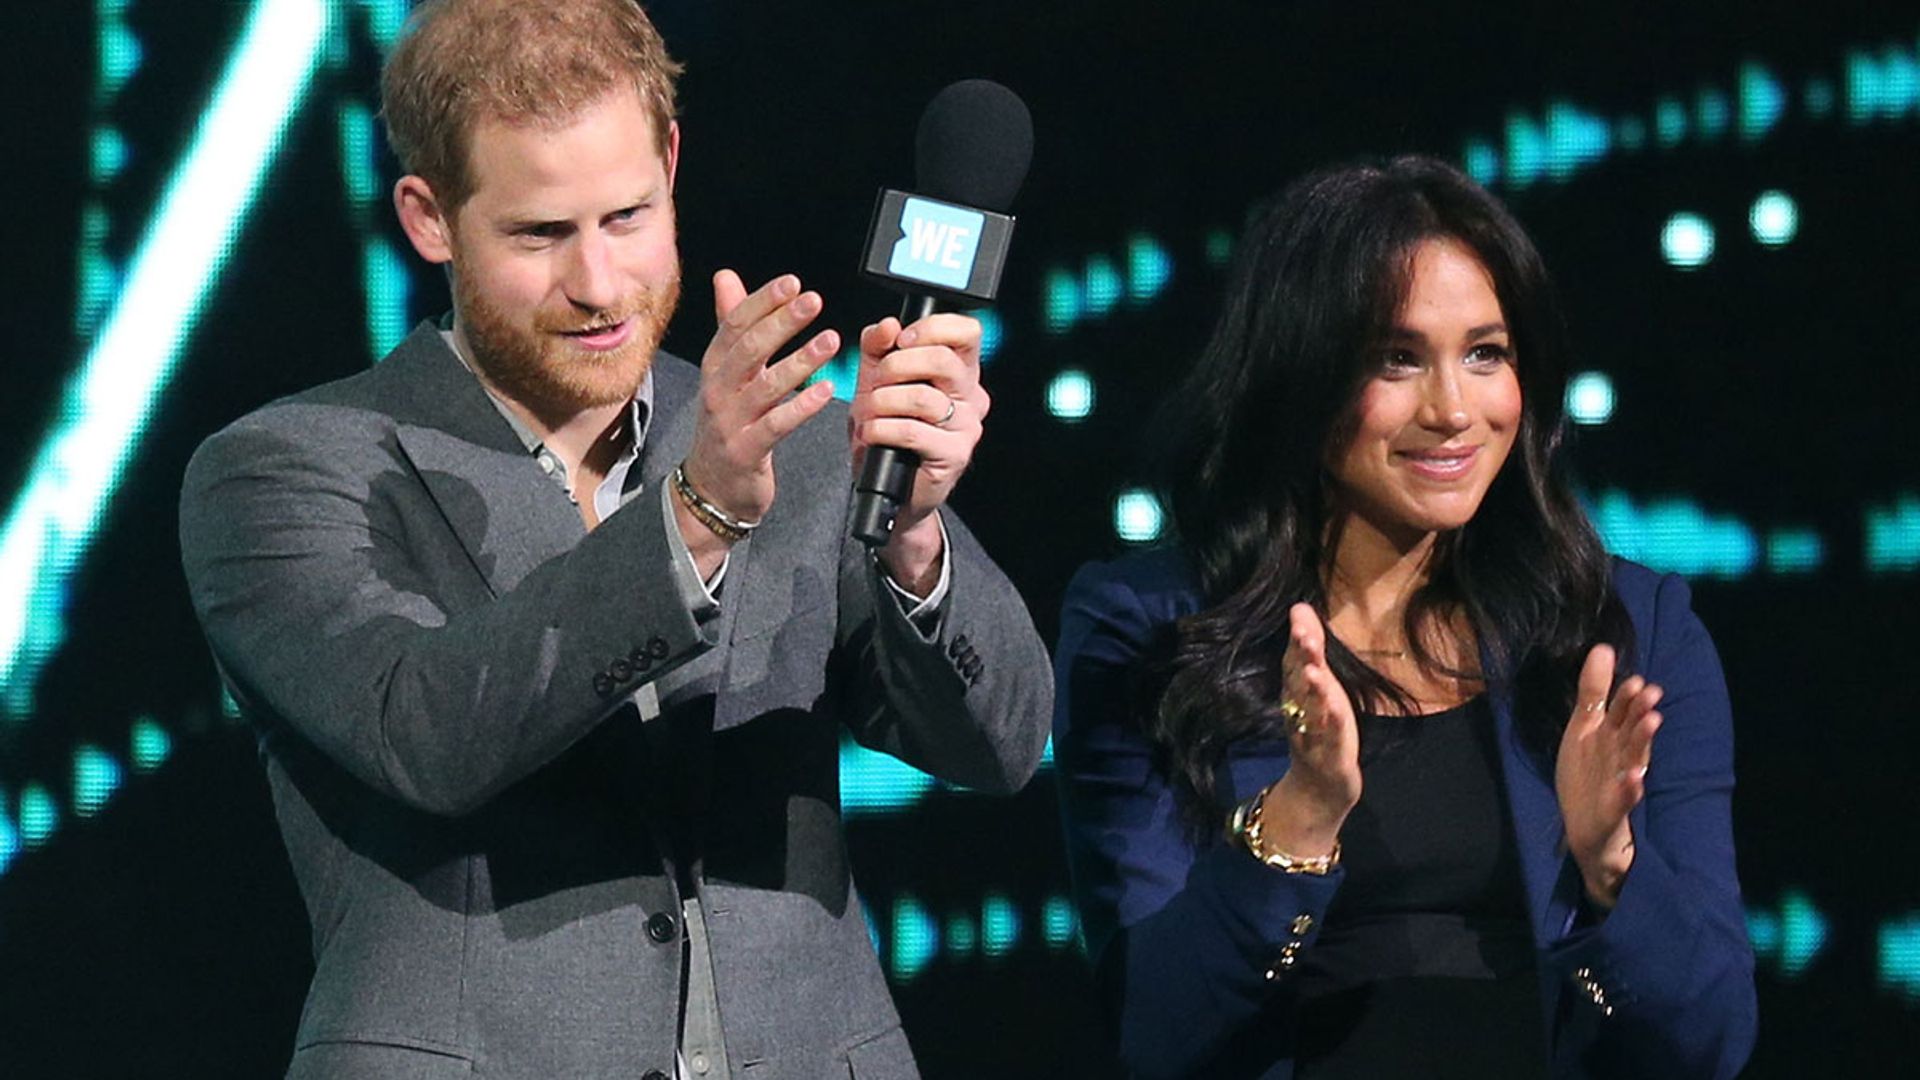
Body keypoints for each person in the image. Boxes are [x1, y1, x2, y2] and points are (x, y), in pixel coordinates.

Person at [177, 2, 1051, 1077]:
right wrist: (698, 512)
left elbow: (1001, 744)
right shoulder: (289, 467)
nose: (597, 286)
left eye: (628, 217)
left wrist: (915, 540)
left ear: (672, 162)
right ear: (428, 216)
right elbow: (428, 734)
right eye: (540, 234)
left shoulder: (799, 441)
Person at [1052, 156, 1755, 1078]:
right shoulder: (1150, 627)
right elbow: (1157, 1034)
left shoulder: (1628, 631)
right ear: (1302, 372)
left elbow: (1712, 1043)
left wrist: (1612, 865)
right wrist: (1298, 821)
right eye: (1397, 358)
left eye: (1485, 354)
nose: (1453, 410)